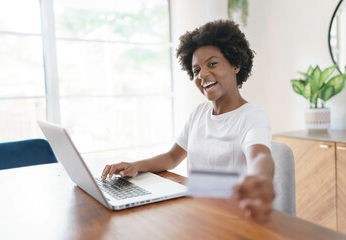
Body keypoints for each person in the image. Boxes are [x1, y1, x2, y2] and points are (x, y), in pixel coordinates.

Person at [102, 20, 275, 222]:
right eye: (196, 70)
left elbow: (260, 157)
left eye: (212, 64)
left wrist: (259, 179)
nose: (202, 75)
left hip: (232, 215)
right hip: (198, 210)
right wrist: (135, 165)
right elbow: (172, 157)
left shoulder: (252, 116)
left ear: (235, 64)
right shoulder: (199, 113)